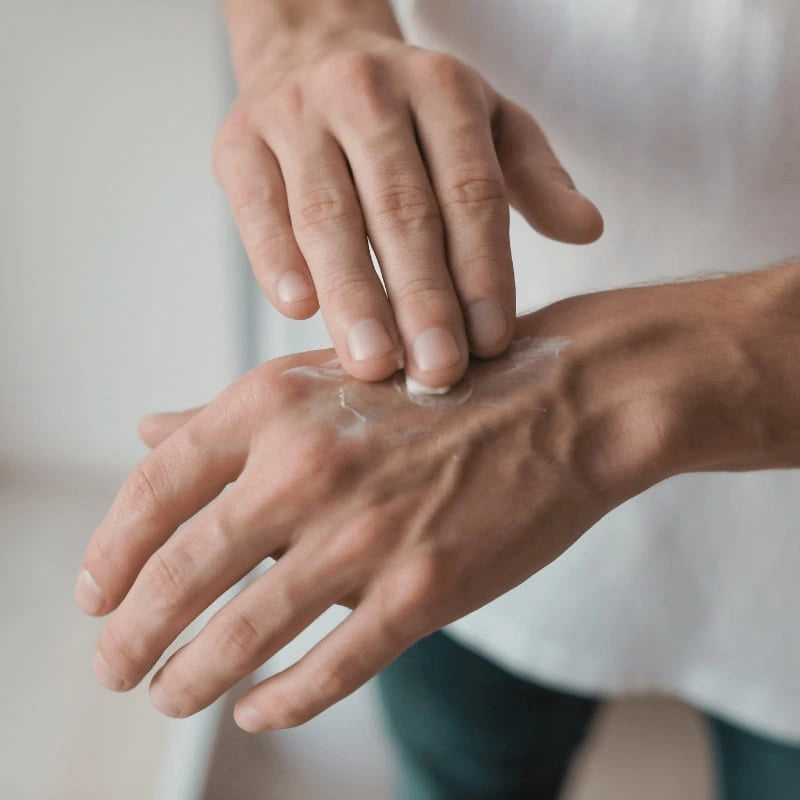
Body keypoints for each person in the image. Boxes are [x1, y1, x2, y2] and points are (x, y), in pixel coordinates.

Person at [75, 1, 800, 797]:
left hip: (766, 558)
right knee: (456, 766)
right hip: (420, 488)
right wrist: (305, 31)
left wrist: (594, 402)